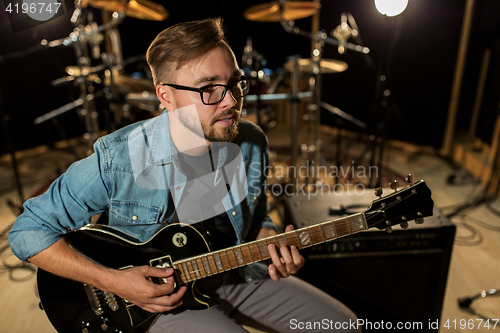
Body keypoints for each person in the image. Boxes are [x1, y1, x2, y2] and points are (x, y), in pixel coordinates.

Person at [9, 18, 360, 333]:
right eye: (209, 88)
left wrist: (268, 237)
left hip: (233, 271)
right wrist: (115, 281)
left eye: (235, 82)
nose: (231, 101)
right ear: (166, 96)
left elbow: (258, 214)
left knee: (344, 326)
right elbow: (27, 231)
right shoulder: (119, 158)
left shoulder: (250, 141)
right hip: (152, 304)